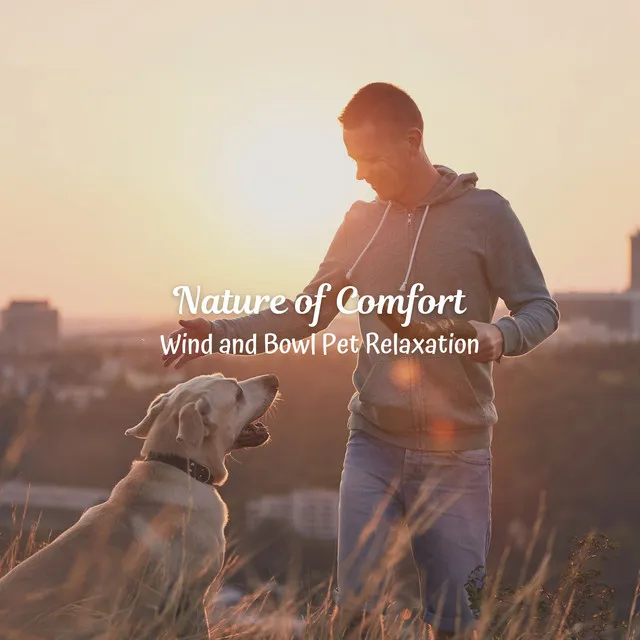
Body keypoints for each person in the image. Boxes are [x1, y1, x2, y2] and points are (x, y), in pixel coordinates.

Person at [162, 82, 559, 638]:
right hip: (372, 444)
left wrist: (499, 336)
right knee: (355, 616)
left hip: (459, 456)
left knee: (456, 621)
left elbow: (541, 307)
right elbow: (304, 313)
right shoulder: (360, 223)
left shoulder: (487, 215)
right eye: (352, 159)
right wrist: (219, 331)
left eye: (368, 158)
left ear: (413, 141)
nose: (359, 173)